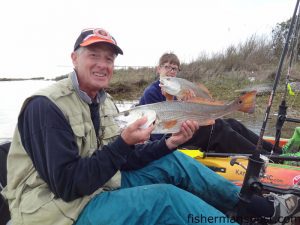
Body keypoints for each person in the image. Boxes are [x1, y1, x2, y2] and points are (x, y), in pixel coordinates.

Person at [1, 28, 297, 225]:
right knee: (164, 199)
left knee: (174, 161)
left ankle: (257, 209)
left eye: (109, 58)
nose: (103, 64)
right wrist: (123, 143)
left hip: (100, 184)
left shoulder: (104, 103)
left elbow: (122, 160)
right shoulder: (46, 106)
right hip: (56, 211)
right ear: (74, 58)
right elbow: (68, 186)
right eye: (94, 55)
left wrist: (169, 142)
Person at [139, 52, 282, 155]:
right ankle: (266, 158)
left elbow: (185, 113)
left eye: (174, 68)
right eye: (166, 66)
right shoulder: (151, 92)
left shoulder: (178, 89)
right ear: (158, 69)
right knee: (218, 128)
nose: (170, 71)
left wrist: (189, 101)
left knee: (232, 123)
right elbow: (160, 130)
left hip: (184, 128)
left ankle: (275, 150)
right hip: (166, 140)